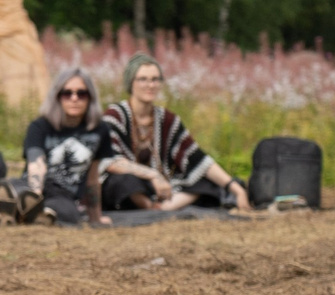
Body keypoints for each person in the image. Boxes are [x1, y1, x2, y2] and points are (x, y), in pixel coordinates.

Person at [97, 55, 251, 213]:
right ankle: (150, 208)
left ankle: (163, 208)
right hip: (132, 187)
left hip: (162, 188)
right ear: (131, 82)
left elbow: (198, 159)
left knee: (204, 179)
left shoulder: (167, 119)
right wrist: (153, 175)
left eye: (155, 79)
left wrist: (236, 188)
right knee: (123, 182)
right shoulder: (114, 116)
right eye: (143, 79)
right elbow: (110, 161)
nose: (150, 85)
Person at [17, 68, 108, 225]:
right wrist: (35, 197)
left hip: (63, 194)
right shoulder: (40, 126)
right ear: (57, 97)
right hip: (32, 186)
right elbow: (35, 163)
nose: (74, 99)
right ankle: (26, 209)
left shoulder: (100, 130)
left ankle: (34, 215)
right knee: (13, 189)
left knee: (66, 212)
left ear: (90, 97)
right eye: (67, 93)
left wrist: (96, 217)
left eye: (81, 94)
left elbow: (93, 178)